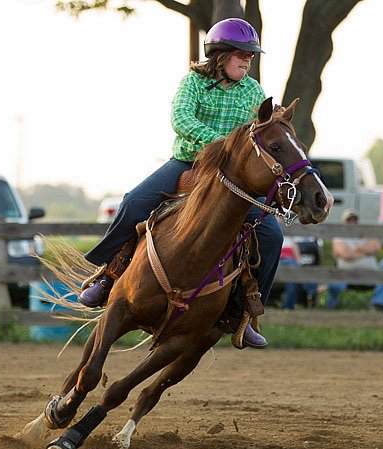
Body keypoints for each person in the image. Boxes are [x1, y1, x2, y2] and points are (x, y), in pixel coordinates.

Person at [78, 18, 282, 349]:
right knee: (133, 202)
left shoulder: (254, 91)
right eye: (240, 54)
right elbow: (181, 119)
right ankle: (109, 274)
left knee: (272, 235)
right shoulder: (193, 83)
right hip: (187, 163)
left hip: (233, 178)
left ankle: (246, 311)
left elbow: (260, 131)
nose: (247, 61)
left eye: (250, 56)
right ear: (219, 55)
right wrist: (221, 147)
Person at [325, 209, 383, 310]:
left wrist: (357, 249)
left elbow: (376, 246)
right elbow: (345, 254)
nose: (352, 222)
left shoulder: (365, 234)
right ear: (344, 222)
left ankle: (376, 304)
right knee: (332, 280)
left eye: (354, 220)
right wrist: (366, 252)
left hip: (371, 275)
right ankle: (332, 306)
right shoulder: (339, 237)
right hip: (347, 277)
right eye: (349, 220)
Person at [279, 236, 318, 309]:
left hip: (291, 263)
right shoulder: (276, 236)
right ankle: (312, 288)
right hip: (281, 261)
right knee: (294, 271)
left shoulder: (290, 239)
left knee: (292, 280)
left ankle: (288, 306)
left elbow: (296, 253)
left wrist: (299, 263)